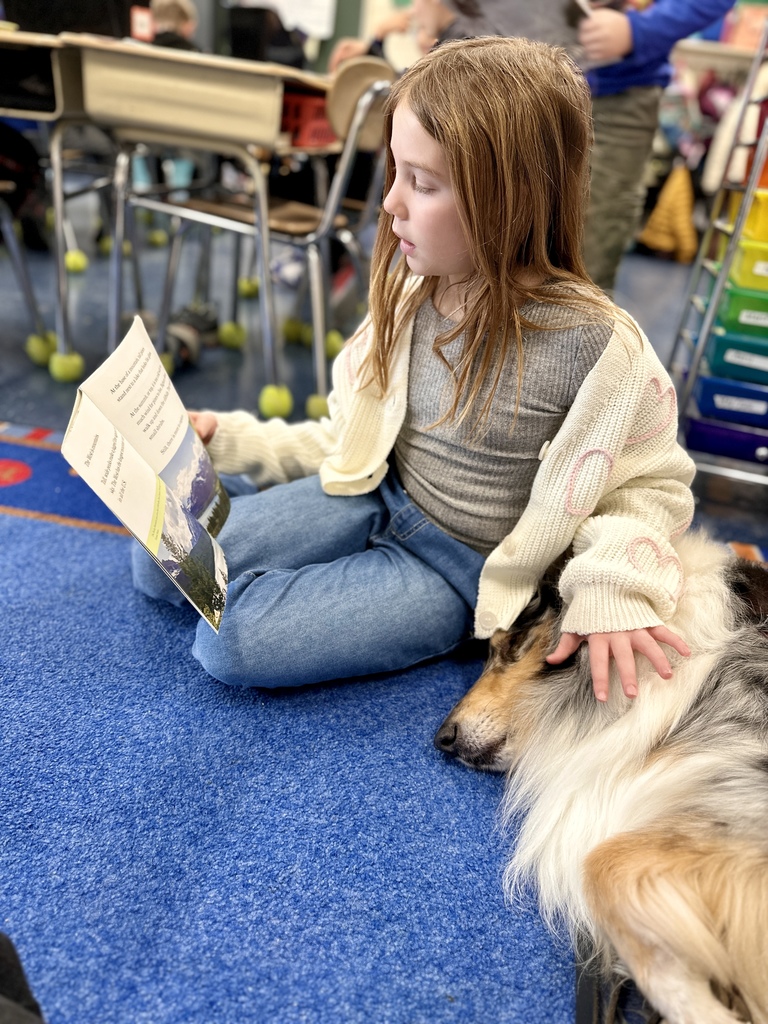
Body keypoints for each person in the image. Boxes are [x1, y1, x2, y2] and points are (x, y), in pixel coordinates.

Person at [132, 36, 696, 702]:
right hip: (374, 492)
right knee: (154, 557)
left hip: (455, 568)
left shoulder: (599, 344)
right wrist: (226, 439)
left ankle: (304, 574)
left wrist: (613, 587)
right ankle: (286, 554)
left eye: (421, 183)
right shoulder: (414, 289)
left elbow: (653, 486)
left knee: (230, 642)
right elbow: (349, 441)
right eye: (394, 172)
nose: (391, 203)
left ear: (511, 197)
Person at [426, 0, 737, 294]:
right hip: (503, 82)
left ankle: (570, 346)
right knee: (476, 235)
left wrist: (640, 30)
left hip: (613, 94)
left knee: (587, 253)